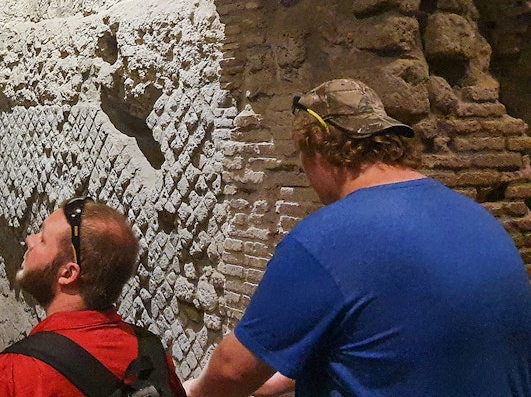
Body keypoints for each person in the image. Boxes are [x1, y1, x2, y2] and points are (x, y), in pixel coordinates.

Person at [184, 78, 531, 397]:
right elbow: (399, 340)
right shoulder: (476, 218)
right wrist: (285, 374)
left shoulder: (325, 241)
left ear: (317, 147)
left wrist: (193, 392)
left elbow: (232, 371)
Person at [0, 197, 186, 396]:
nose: (29, 240)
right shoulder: (152, 356)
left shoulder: (15, 371)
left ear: (68, 274)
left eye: (42, 239)